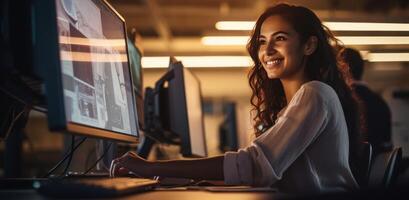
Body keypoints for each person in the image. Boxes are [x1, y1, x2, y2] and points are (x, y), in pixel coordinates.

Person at [111, 3, 361, 194]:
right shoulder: (297, 103)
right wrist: (189, 178)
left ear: (309, 46)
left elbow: (255, 166)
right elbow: (265, 172)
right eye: (263, 42)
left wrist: (151, 167)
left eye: (280, 39)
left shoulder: (314, 93)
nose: (268, 50)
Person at [341, 48, 392, 153]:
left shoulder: (341, 100)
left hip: (349, 167)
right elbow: (387, 146)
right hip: (376, 167)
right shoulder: (381, 103)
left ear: (344, 68)